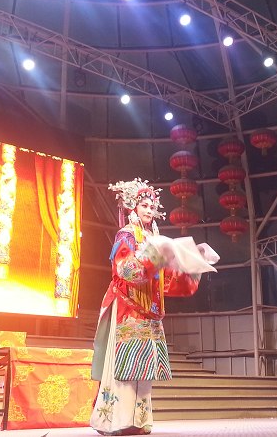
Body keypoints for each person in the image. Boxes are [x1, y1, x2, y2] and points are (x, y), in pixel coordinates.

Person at [90, 178, 218, 436]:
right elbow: (127, 271)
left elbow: (166, 282)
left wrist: (192, 262)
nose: (149, 210)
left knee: (144, 369)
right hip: (128, 307)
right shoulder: (126, 235)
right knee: (124, 368)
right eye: (144, 206)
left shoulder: (156, 239)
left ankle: (139, 421)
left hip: (150, 311)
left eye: (152, 206)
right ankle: (113, 421)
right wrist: (156, 254)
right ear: (134, 208)